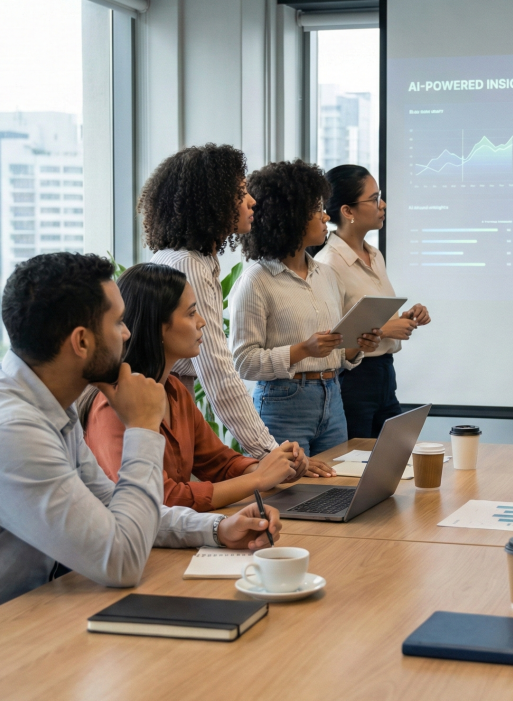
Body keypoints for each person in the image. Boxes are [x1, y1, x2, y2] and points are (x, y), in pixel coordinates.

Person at [0, 253, 281, 650]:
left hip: (10, 621)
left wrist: (215, 531)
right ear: (81, 341)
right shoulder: (8, 430)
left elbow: (111, 509)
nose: (127, 334)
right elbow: (121, 560)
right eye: (117, 322)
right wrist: (142, 427)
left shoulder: (48, 405)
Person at [142, 143, 324, 478]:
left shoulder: (189, 259)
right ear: (210, 201)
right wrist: (270, 453)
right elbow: (219, 374)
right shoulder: (189, 265)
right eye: (240, 193)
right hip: (159, 411)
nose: (251, 200)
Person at [83, 263, 299, 510]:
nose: (202, 322)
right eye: (190, 313)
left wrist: (275, 467)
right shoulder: (111, 405)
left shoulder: (174, 390)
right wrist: (259, 478)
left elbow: (220, 463)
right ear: (157, 327)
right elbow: (163, 500)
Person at [231, 160, 382, 455]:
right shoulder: (256, 281)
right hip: (283, 403)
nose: (326, 215)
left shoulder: (326, 275)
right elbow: (244, 361)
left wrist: (354, 346)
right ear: (290, 216)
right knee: (287, 496)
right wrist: (303, 349)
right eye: (316, 209)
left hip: (332, 397)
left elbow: (335, 352)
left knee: (337, 492)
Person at [314, 165, 431, 437]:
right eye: (374, 198)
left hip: (384, 375)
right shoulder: (328, 263)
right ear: (347, 211)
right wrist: (387, 330)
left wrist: (407, 317)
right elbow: (329, 337)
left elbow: (373, 313)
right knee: (356, 469)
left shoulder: (375, 255)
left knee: (392, 458)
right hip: (353, 380)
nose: (383, 205)